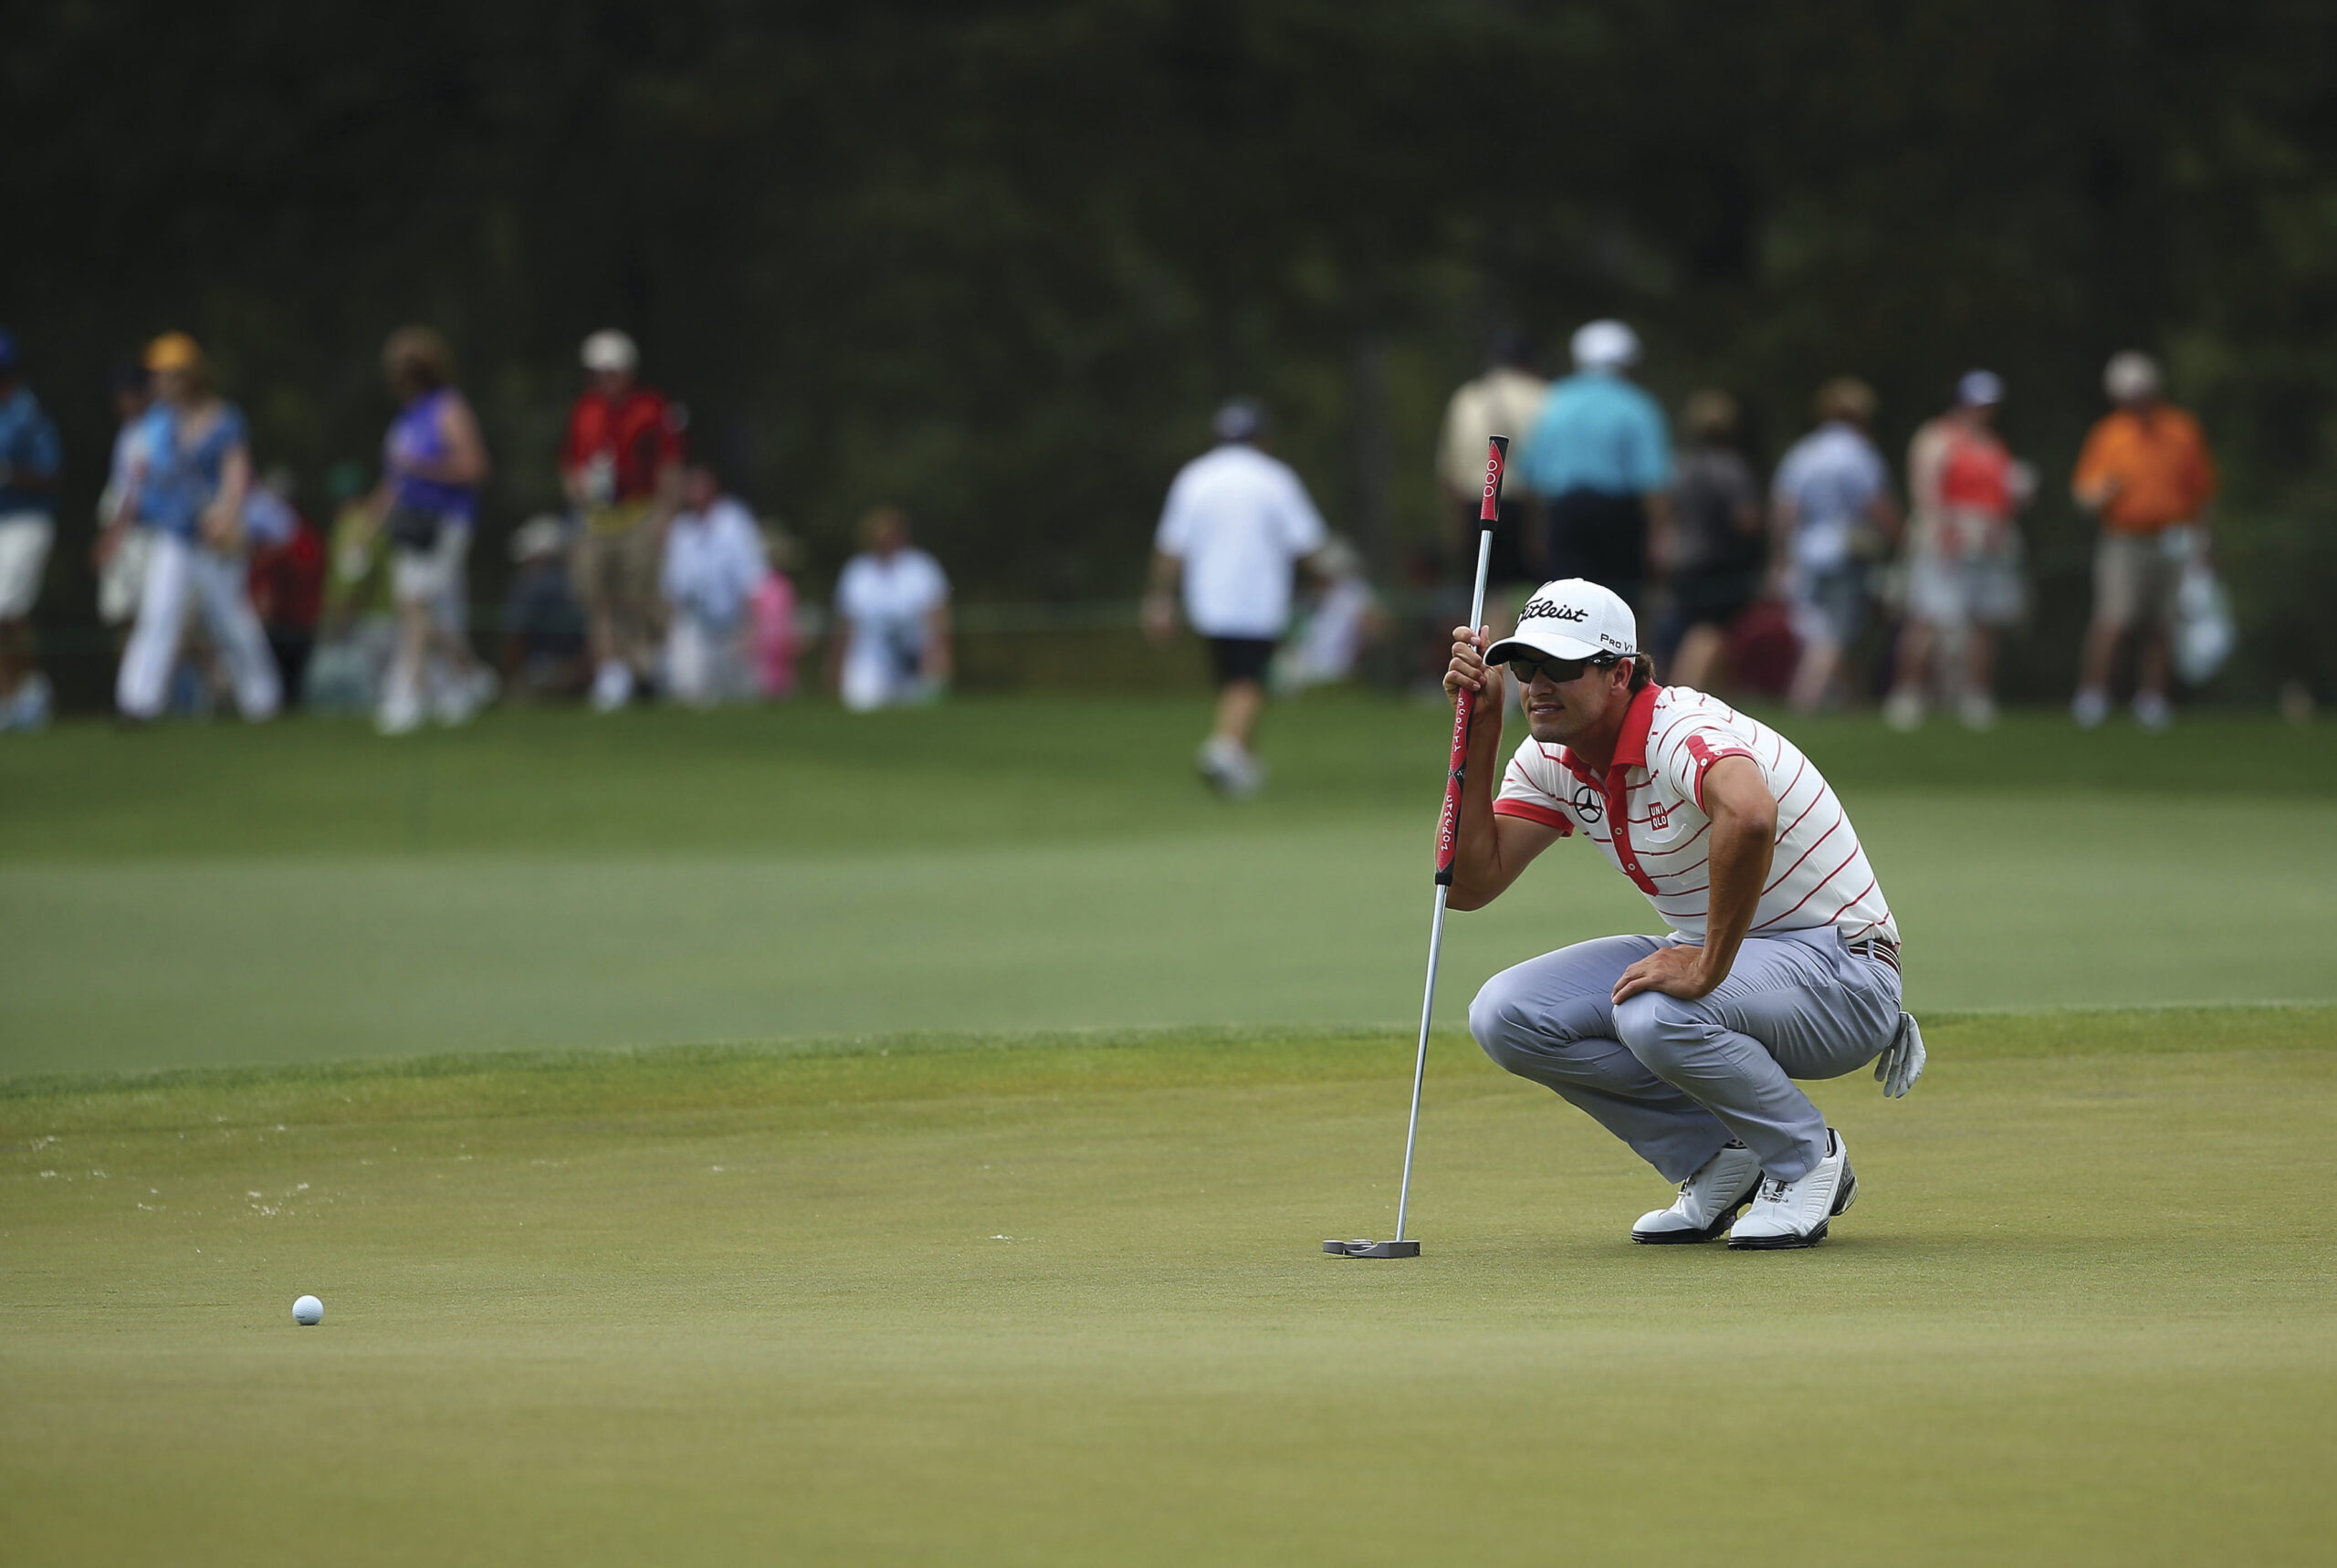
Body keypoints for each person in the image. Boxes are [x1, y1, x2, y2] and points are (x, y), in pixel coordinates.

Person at [1444, 578, 1923, 1250]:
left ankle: (1806, 1158)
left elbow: (1751, 813)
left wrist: (1705, 964)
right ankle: (1718, 1157)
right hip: (1742, 967)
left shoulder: (1681, 728)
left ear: (1618, 674)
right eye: (1525, 667)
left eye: (1561, 667)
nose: (1538, 684)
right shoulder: (1552, 755)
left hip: (1844, 971)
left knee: (1658, 1011)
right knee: (1507, 1014)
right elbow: (1469, 884)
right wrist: (1483, 732)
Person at [1143, 398, 1332, 796]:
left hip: (1207, 601)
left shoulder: (1194, 477)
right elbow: (1308, 542)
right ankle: (1223, 749)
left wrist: (1160, 598)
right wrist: (1329, 579)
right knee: (1249, 681)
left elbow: (1170, 547)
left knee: (1233, 680)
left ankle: (1242, 768)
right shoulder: (1275, 478)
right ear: (1262, 438)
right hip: (1258, 600)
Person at [100, 332, 281, 724]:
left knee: (232, 620)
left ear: (191, 376)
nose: (160, 383)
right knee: (158, 614)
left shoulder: (223, 417)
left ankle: (262, 700)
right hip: (176, 535)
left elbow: (237, 472)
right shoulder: (157, 424)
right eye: (158, 376)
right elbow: (144, 480)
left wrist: (227, 516)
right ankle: (137, 702)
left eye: (169, 375)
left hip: (216, 536)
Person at [2070, 351, 2217, 731]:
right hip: (2124, 539)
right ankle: (2093, 694)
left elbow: (2201, 492)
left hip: (2174, 538)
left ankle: (2153, 699)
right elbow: (2083, 493)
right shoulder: (2109, 433)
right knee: (2114, 619)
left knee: (2163, 623)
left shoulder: (2182, 430)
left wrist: (2204, 542)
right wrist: (2101, 492)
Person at [1885, 371, 2032, 731]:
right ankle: (1908, 694)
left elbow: (2001, 497)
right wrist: (1941, 530)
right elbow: (1926, 489)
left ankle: (1975, 696)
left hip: (1988, 539)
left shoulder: (1993, 444)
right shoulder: (1938, 437)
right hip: (1948, 534)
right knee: (1929, 617)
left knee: (1984, 620)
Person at [369, 327, 492, 735]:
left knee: (417, 601)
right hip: (411, 524)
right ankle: (470, 677)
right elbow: (394, 480)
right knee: (422, 607)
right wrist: (371, 520)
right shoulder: (405, 417)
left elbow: (474, 468)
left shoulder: (448, 408)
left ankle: (410, 693)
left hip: (447, 520)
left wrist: (423, 467)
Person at [561, 329, 685, 712]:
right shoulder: (585, 410)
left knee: (638, 596)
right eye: (597, 372)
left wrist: (665, 514)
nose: (604, 380)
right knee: (597, 597)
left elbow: (669, 463)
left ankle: (647, 667)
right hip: (597, 518)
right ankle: (611, 672)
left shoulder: (650, 407)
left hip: (638, 512)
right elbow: (570, 463)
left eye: (611, 371)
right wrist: (577, 494)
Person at [1515, 320, 1672, 618]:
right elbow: (1653, 482)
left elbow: (1531, 477)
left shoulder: (1553, 400)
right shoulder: (1637, 404)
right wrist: (1660, 534)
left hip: (1566, 514)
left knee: (1564, 605)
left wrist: (1535, 529)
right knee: (1620, 606)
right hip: (1619, 518)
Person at [1770, 378, 1900, 712]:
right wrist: (1902, 539)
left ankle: (1853, 700)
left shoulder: (1805, 451)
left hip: (1807, 551)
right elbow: (1876, 504)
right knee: (1834, 634)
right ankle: (1805, 699)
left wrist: (1782, 555)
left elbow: (1787, 508)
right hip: (1845, 551)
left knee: (1817, 630)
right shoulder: (1860, 453)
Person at [1435, 329, 1549, 624]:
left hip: (1477, 503)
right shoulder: (1541, 396)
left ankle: (1484, 661)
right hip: (1525, 508)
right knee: (1536, 597)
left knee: (1485, 595)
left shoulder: (1467, 397)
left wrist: (1456, 524)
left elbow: (1450, 472)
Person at [1659, 390, 1764, 693]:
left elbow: (1668, 514)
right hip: (1719, 562)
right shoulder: (1731, 468)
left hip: (1685, 561)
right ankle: (1683, 693)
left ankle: (1706, 694)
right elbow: (1747, 519)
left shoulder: (1680, 466)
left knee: (1696, 632)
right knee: (1708, 634)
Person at [660, 465, 767, 706]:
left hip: (731, 621)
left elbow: (751, 577)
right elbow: (672, 586)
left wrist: (750, 627)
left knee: (739, 693)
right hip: (694, 622)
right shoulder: (681, 530)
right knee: (689, 687)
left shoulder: (735, 522)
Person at [0, 329, 63, 731]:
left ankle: (27, 694)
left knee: (7, 608)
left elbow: (51, 473)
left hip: (28, 520)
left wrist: (8, 474)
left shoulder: (27, 412)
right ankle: (16, 693)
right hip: (3, 520)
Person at [828, 506, 950, 712]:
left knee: (915, 710)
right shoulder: (857, 571)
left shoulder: (921, 568)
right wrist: (835, 666)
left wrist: (940, 659)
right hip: (870, 655)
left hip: (914, 655)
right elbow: (845, 625)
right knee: (862, 705)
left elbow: (937, 619)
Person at [245, 465, 326, 706]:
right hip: (289, 622)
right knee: (286, 689)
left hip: (293, 623)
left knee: (287, 689)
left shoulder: (294, 537)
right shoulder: (301, 535)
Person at [96, 363, 158, 653]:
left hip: (147, 532)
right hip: (124, 531)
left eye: (129, 393)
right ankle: (131, 694)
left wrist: (113, 535)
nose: (123, 400)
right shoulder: (127, 431)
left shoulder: (158, 428)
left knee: (154, 615)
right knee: (121, 613)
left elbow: (139, 490)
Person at [499, 516, 589, 701]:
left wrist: (509, 680)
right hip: (578, 673)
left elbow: (515, 639)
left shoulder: (529, 585)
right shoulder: (576, 581)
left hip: (542, 673)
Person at [749, 523, 804, 701]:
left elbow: (790, 614)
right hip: (763, 643)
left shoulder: (785, 584)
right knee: (762, 685)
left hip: (781, 642)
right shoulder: (757, 582)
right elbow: (753, 614)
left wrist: (795, 636)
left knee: (783, 686)